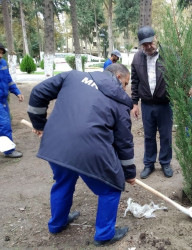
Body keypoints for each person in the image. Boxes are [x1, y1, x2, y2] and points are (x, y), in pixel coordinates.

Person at [27, 63, 136, 247]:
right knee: (111, 188)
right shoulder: (120, 101)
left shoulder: (72, 76)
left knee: (63, 180)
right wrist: (129, 173)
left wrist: (39, 124)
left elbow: (38, 92)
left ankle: (57, 223)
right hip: (90, 148)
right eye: (126, 83)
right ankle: (104, 235)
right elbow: (124, 141)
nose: (125, 89)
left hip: (57, 143)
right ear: (118, 77)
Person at [131, 26, 173, 179]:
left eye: (150, 42)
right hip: (147, 104)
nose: (148, 47)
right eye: (144, 44)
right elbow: (135, 82)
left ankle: (165, 162)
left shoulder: (168, 53)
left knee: (166, 135)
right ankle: (149, 164)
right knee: (149, 136)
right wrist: (135, 103)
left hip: (165, 104)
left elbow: (181, 72)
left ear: (155, 38)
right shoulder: (137, 58)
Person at [0, 43, 24, 158]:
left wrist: (17, 92)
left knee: (4, 123)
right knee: (4, 124)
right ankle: (9, 151)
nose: (0, 55)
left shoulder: (3, 63)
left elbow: (8, 80)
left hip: (3, 100)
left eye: (1, 52)